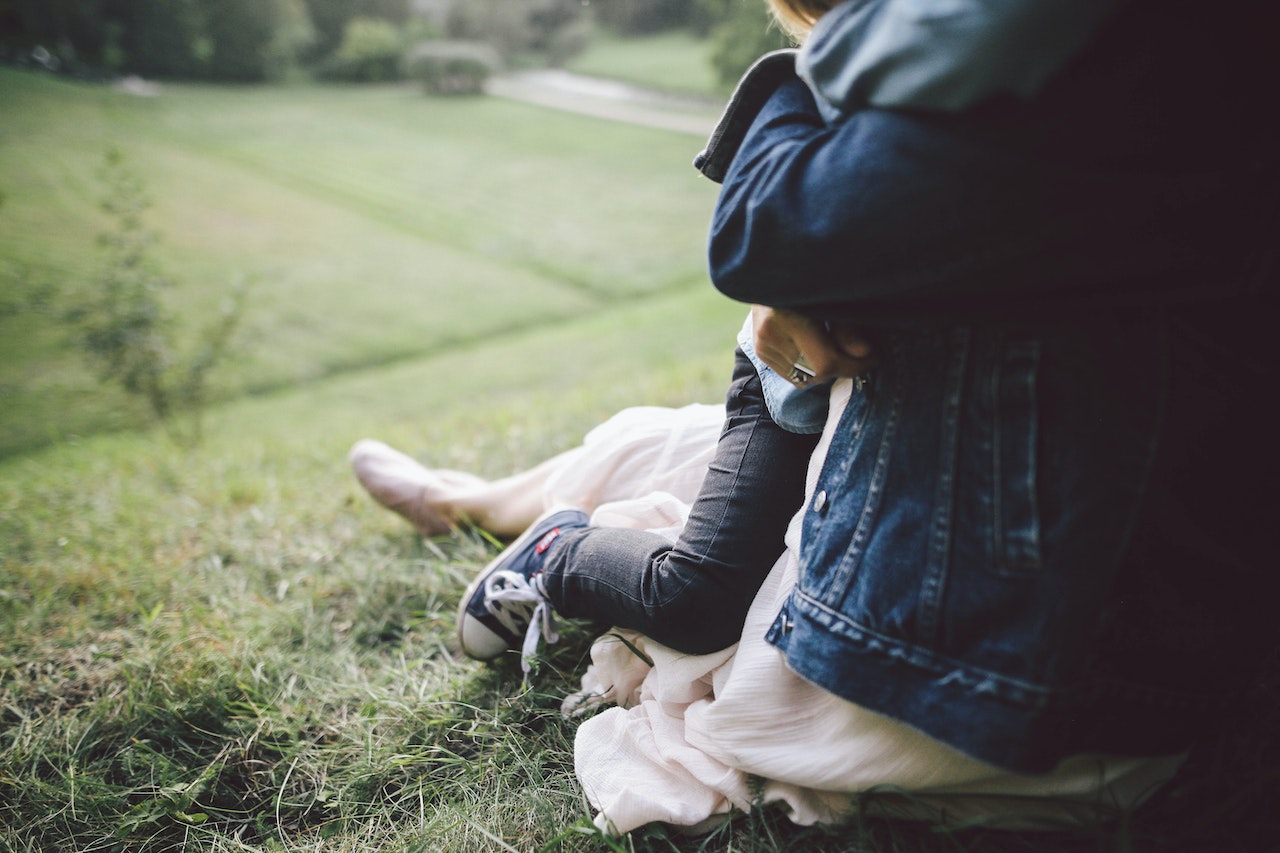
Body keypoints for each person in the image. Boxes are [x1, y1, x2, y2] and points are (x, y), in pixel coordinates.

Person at [354, 0, 1277, 834]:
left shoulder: (1087, 74)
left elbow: (764, 227)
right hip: (861, 422)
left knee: (698, 583)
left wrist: (811, 133)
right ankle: (480, 503)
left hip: (1039, 579)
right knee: (682, 459)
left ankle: (553, 545)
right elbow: (784, 241)